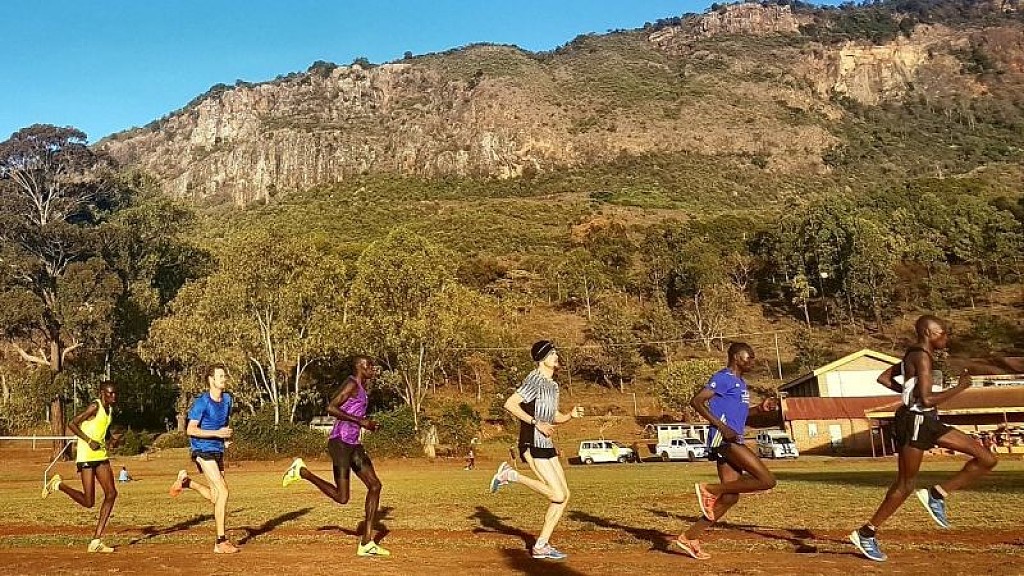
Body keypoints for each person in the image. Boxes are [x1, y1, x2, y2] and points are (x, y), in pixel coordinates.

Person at [850, 315, 998, 562]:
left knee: (987, 459)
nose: (946, 337)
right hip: (916, 422)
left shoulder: (915, 355)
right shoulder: (921, 357)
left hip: (927, 421)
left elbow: (884, 378)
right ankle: (866, 533)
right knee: (905, 485)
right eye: (943, 333)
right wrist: (961, 387)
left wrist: (908, 393)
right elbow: (927, 400)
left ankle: (937, 495)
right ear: (929, 333)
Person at [674, 342, 778, 561]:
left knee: (730, 497)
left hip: (732, 438)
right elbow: (697, 401)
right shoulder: (723, 378)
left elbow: (740, 415)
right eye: (749, 357)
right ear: (737, 357)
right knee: (767, 480)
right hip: (723, 439)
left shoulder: (741, 383)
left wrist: (760, 409)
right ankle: (709, 489)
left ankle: (689, 537)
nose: (752, 361)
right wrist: (721, 427)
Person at [282, 356, 390, 557]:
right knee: (342, 497)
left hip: (353, 444)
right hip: (339, 442)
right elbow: (331, 407)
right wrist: (361, 421)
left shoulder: (362, 388)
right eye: (369, 365)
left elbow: (355, 414)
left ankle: (366, 543)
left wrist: (367, 423)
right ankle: (302, 472)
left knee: (375, 485)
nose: (373, 369)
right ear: (360, 367)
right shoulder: (351, 383)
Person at [489, 340, 583, 561]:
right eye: (551, 354)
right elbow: (510, 404)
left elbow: (553, 417)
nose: (556, 356)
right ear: (541, 359)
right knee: (557, 494)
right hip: (532, 442)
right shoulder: (534, 379)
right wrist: (535, 423)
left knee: (564, 497)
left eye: (555, 352)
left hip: (546, 444)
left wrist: (569, 416)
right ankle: (510, 475)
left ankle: (541, 545)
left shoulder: (553, 385)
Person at [168, 364, 239, 554]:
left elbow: (224, 422)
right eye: (220, 376)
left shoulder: (228, 399)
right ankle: (220, 541)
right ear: (211, 379)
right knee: (223, 491)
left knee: (216, 497)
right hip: (201, 449)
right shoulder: (202, 402)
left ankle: (188, 483)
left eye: (225, 375)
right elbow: (190, 429)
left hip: (217, 449)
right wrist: (217, 433)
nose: (224, 379)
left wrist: (225, 438)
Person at [42, 382, 119, 553]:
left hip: (100, 455)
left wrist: (111, 439)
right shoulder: (94, 406)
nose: (114, 397)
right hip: (86, 455)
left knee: (111, 493)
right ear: (102, 393)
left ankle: (96, 541)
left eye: (115, 394)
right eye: (110, 394)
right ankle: (58, 485)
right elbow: (72, 423)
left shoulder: (110, 410)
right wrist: (89, 441)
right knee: (88, 502)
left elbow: (102, 428)